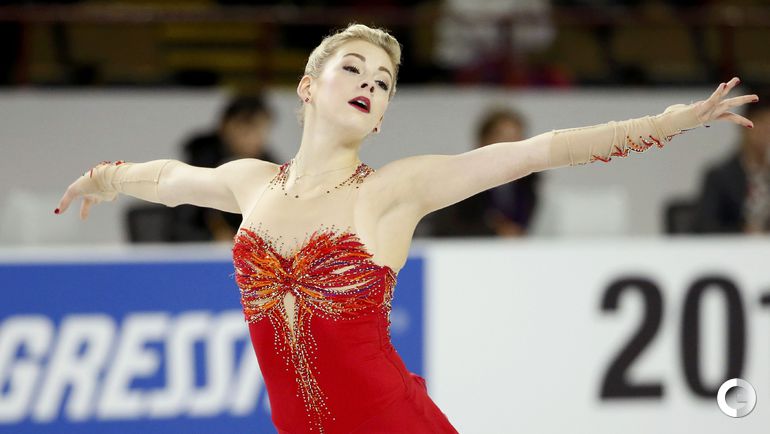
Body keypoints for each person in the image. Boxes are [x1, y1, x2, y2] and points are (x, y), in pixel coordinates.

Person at [55, 23, 758, 433]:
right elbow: (169, 179)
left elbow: (539, 151)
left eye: (384, 81)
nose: (370, 82)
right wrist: (102, 178)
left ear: (384, 113)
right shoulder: (252, 183)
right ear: (307, 86)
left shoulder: (395, 191)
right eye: (353, 68)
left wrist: (670, 122)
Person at [173, 95, 280, 242]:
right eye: (246, 129)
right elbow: (182, 222)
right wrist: (211, 238)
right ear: (225, 125)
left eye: (261, 131)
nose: (254, 139)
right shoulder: (202, 161)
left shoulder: (268, 164)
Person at [429, 107, 540, 237]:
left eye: (517, 139)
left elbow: (522, 225)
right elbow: (446, 226)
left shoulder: (528, 181)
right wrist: (494, 231)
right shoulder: (459, 179)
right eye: (504, 138)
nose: (511, 146)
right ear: (484, 141)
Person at [693, 94, 770, 234]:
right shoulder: (719, 176)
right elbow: (705, 226)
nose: (765, 132)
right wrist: (743, 232)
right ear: (744, 127)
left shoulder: (766, 173)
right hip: (733, 246)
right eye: (761, 124)